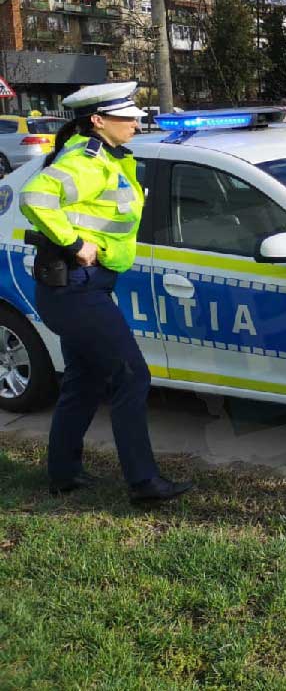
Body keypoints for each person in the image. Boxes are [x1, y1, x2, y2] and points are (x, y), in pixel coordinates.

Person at [19, 82, 193, 504]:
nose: (135, 123)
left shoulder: (107, 158)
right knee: (132, 376)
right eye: (127, 117)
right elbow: (34, 197)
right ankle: (144, 483)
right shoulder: (87, 160)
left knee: (84, 380)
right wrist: (75, 244)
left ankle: (63, 473)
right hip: (76, 291)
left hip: (82, 288)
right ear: (98, 121)